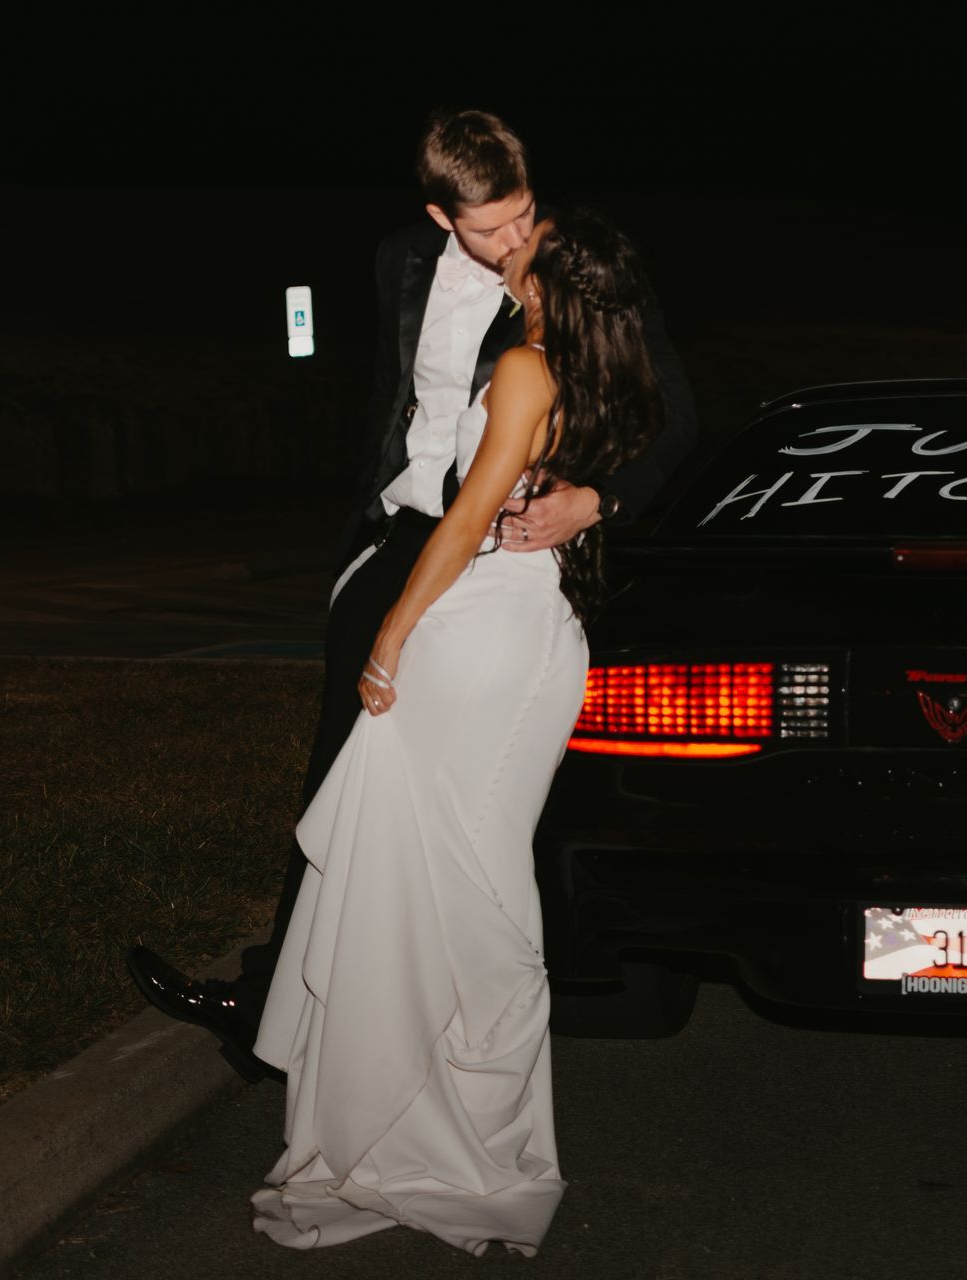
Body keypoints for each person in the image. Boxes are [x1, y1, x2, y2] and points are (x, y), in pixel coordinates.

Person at [125, 109, 697, 1081]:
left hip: (495, 554)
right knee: (341, 781)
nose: (515, 240)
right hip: (397, 538)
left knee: (452, 799)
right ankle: (281, 1014)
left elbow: (677, 412)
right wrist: (365, 526)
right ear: (439, 216)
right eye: (490, 227)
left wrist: (597, 500)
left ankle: (423, 1012)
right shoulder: (399, 261)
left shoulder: (567, 265)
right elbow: (394, 399)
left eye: (523, 213)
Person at [249, 207, 657, 1254]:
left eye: (529, 242)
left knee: (451, 877)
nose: (513, 245)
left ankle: (456, 1130)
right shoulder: (598, 368)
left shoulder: (524, 366)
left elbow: (469, 515)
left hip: (483, 632)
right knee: (461, 872)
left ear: (546, 282)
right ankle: (456, 1123)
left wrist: (390, 632)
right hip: (533, 628)